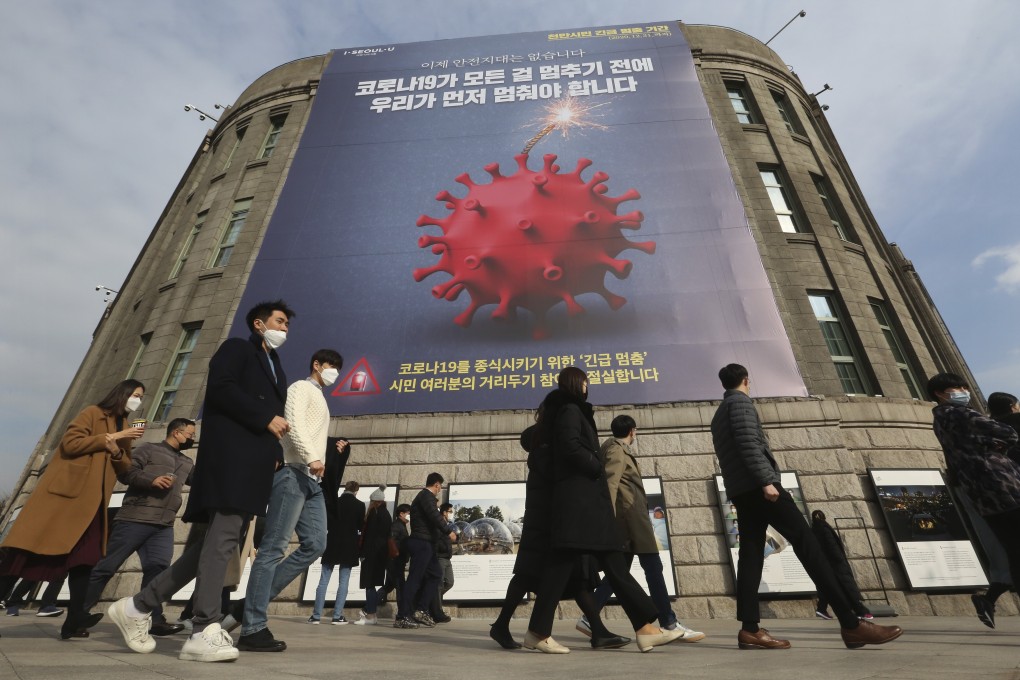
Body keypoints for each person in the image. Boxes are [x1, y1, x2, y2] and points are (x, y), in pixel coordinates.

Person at [107, 299, 295, 663]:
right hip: (231, 461)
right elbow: (222, 390)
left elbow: (272, 419)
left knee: (211, 547)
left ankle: (136, 607)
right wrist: (264, 417)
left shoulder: (277, 367)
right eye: (280, 321)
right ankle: (203, 627)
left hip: (253, 463)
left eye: (287, 324)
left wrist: (274, 453)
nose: (285, 329)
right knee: (221, 541)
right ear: (259, 323)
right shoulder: (237, 348)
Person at [710, 363, 902, 650]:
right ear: (747, 380)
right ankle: (851, 624)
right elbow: (748, 443)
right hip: (760, 488)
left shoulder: (718, 414)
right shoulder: (741, 404)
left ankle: (749, 629)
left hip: (741, 490)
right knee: (809, 545)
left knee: (751, 556)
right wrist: (766, 480)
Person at [525, 367, 682, 654]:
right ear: (578, 384)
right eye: (586, 381)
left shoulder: (569, 410)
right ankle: (645, 627)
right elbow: (570, 447)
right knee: (608, 559)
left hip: (579, 502)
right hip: (581, 501)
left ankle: (539, 631)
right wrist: (595, 464)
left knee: (582, 564)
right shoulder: (571, 410)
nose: (588, 386)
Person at [0, 379, 145, 640]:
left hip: (94, 504)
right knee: (25, 555)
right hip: (66, 499)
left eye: (141, 397)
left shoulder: (125, 427)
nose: (138, 401)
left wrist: (116, 448)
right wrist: (111, 438)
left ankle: (75, 619)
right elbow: (71, 444)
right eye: (135, 395)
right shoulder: (93, 413)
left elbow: (124, 467)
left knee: (85, 560)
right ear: (122, 394)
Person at [490, 411, 629, 652]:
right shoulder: (546, 449)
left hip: (554, 524)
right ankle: (505, 626)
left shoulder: (545, 448)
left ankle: (598, 631)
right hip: (547, 525)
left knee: (577, 580)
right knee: (530, 575)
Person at [239, 348, 347, 650]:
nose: (335, 373)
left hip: (312, 481)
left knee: (316, 544)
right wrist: (313, 457)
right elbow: (294, 424)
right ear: (316, 365)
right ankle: (252, 627)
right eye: (331, 366)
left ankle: (250, 605)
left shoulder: (321, 397)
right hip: (293, 473)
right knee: (273, 548)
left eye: (339, 369)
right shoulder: (301, 388)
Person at [580, 415, 705, 642]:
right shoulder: (617, 451)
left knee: (617, 575)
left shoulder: (612, 448)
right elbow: (610, 483)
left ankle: (589, 617)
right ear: (632, 431)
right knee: (653, 568)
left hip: (628, 522)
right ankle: (669, 622)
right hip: (631, 522)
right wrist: (605, 520)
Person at [82, 418, 196, 636]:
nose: (192, 439)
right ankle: (79, 613)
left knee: (158, 569)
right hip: (135, 518)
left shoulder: (187, 462)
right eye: (190, 435)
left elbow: (202, 481)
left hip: (163, 525)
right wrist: (151, 480)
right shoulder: (149, 449)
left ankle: (154, 619)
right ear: (176, 432)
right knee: (106, 567)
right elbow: (126, 474)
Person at [929, 374, 1020, 630]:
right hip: (1002, 484)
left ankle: (988, 600)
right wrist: (993, 445)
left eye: (964, 387)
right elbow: (1007, 433)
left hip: (980, 493)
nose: (962, 391)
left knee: (1014, 550)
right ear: (939, 392)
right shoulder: (961, 414)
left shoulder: (939, 420)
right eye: (956, 387)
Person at [395, 473, 456, 629]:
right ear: (436, 485)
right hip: (421, 543)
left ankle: (421, 610)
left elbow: (432, 517)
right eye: (440, 487)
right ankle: (402, 616)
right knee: (414, 579)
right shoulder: (425, 496)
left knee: (435, 575)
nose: (439, 490)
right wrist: (448, 531)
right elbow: (434, 516)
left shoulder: (425, 498)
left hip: (427, 544)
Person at [310, 480, 364, 624]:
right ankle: (337, 615)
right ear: (356, 490)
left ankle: (316, 616)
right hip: (349, 545)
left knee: (323, 581)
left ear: (345, 489)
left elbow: (326, 521)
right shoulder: (360, 505)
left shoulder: (334, 503)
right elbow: (360, 526)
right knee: (344, 581)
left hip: (332, 543)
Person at [810, 510, 872, 621]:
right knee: (847, 585)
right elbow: (832, 545)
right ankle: (860, 610)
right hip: (835, 563)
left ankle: (822, 608)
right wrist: (840, 559)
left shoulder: (813, 530)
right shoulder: (824, 529)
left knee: (828, 586)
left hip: (824, 563)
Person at [352, 485, 392, 625]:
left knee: (369, 585)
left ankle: (370, 615)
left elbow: (369, 536)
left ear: (376, 501)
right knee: (373, 584)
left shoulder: (374, 514)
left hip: (371, 554)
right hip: (380, 555)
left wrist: (362, 554)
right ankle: (372, 614)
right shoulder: (386, 514)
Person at [427, 502, 456, 624]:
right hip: (440, 557)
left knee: (449, 582)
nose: (451, 514)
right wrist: (444, 546)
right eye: (450, 511)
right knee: (438, 586)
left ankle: (431, 601)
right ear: (444, 512)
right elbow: (437, 541)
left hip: (447, 558)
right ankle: (437, 612)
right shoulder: (439, 525)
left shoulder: (447, 525)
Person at [379, 504, 411, 608]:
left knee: (388, 586)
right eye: (408, 513)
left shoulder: (401, 525)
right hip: (395, 561)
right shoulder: (397, 525)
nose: (410, 516)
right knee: (401, 587)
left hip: (397, 561)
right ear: (401, 514)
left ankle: (367, 608)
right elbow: (391, 541)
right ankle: (403, 614)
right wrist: (397, 553)